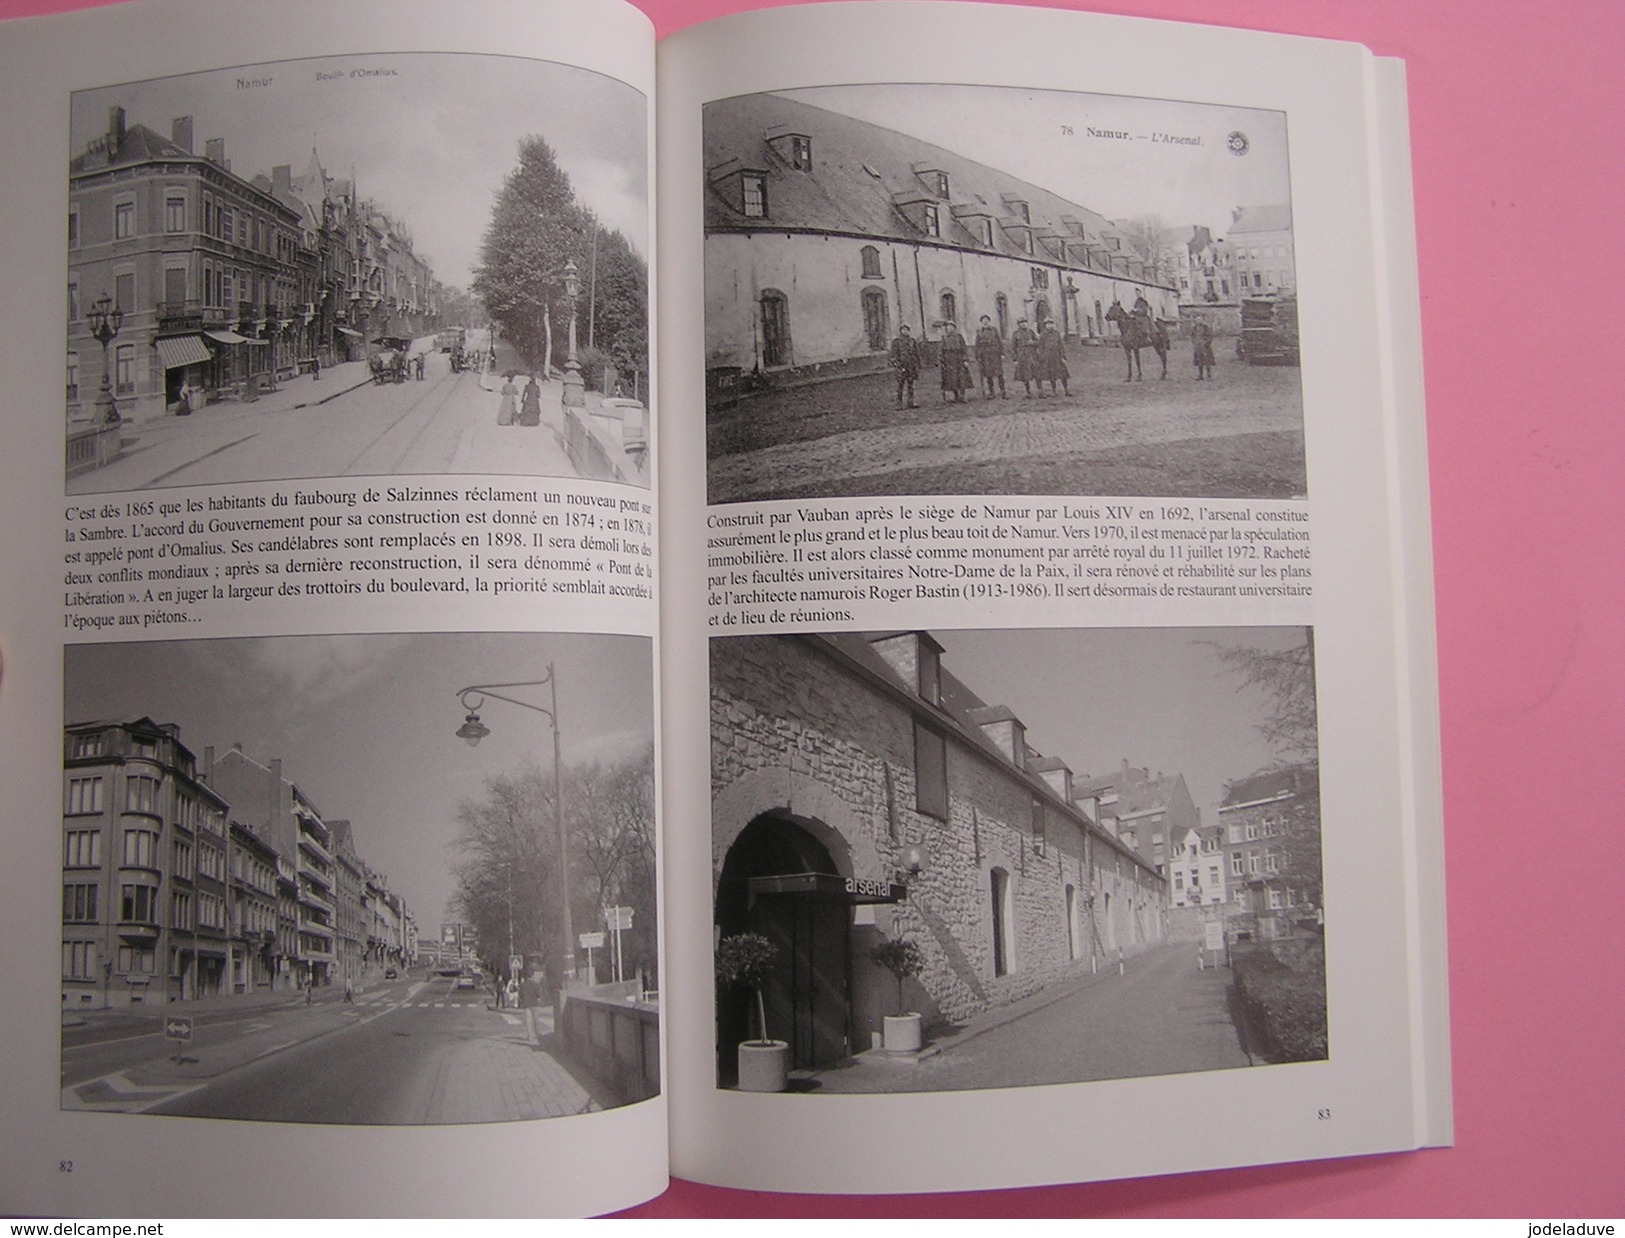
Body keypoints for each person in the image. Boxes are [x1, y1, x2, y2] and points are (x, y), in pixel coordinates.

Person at [888, 324, 921, 409]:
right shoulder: (896, 342)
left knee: (911, 385)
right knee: (900, 385)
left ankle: (911, 402)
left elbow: (917, 353)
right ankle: (899, 403)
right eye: (903, 330)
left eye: (907, 330)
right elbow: (893, 354)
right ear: (901, 331)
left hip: (911, 366)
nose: (905, 331)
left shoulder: (912, 341)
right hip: (901, 366)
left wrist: (918, 364)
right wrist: (897, 364)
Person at [974, 315, 1006, 399]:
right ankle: (992, 393)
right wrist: (977, 356)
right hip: (985, 356)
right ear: (981, 322)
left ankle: (1003, 392)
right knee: (988, 375)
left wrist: (1002, 354)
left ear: (989, 321)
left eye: (987, 320)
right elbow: (977, 345)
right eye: (983, 320)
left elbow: (1000, 342)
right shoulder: (979, 332)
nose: (985, 321)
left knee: (999, 374)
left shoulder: (994, 330)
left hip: (995, 354)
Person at [939, 320, 970, 403]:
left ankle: (962, 396)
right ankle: (956, 396)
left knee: (962, 378)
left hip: (959, 359)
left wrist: (965, 360)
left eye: (952, 326)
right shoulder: (944, 338)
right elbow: (941, 350)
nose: (950, 328)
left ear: (954, 328)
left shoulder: (959, 337)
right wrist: (941, 361)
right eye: (948, 327)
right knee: (952, 379)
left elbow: (964, 349)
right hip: (949, 361)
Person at [1036, 319, 1070, 396]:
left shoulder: (1056, 333)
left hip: (1058, 357)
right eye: (1048, 324)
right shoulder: (1043, 334)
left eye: (1051, 324)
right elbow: (1041, 347)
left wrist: (1063, 356)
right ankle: (1054, 391)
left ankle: (1066, 390)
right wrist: (1042, 356)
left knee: (1063, 374)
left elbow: (1061, 345)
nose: (1049, 325)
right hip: (1048, 358)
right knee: (1052, 375)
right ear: (1045, 325)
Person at [1011, 318, 1040, 397]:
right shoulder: (1016, 334)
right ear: (1019, 324)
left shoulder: (1031, 332)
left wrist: (1033, 342)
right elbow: (1013, 347)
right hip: (1022, 357)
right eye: (1021, 322)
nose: (1023, 324)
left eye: (1025, 322)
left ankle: (1040, 391)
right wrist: (1015, 359)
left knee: (1037, 373)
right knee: (1025, 375)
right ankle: (1028, 391)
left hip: (1032, 355)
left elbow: (1039, 342)